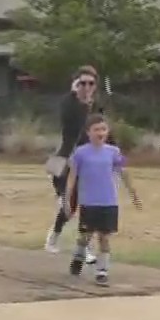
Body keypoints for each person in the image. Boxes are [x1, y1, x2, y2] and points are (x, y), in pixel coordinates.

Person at [66, 113, 143, 287]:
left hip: (108, 202)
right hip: (89, 202)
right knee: (85, 236)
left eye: (103, 129)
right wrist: (68, 196)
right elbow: (72, 176)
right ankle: (78, 256)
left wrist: (133, 194)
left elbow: (124, 173)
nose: (100, 133)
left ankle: (102, 271)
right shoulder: (80, 153)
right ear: (88, 132)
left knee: (104, 237)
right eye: (96, 129)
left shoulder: (113, 152)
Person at [45, 66, 105, 255]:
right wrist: (80, 102)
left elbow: (102, 130)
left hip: (89, 161)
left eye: (91, 83)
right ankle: (53, 237)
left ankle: (84, 246)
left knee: (87, 204)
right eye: (82, 83)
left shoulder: (97, 105)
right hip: (65, 160)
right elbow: (72, 126)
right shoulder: (69, 104)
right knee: (69, 207)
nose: (87, 87)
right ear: (75, 85)